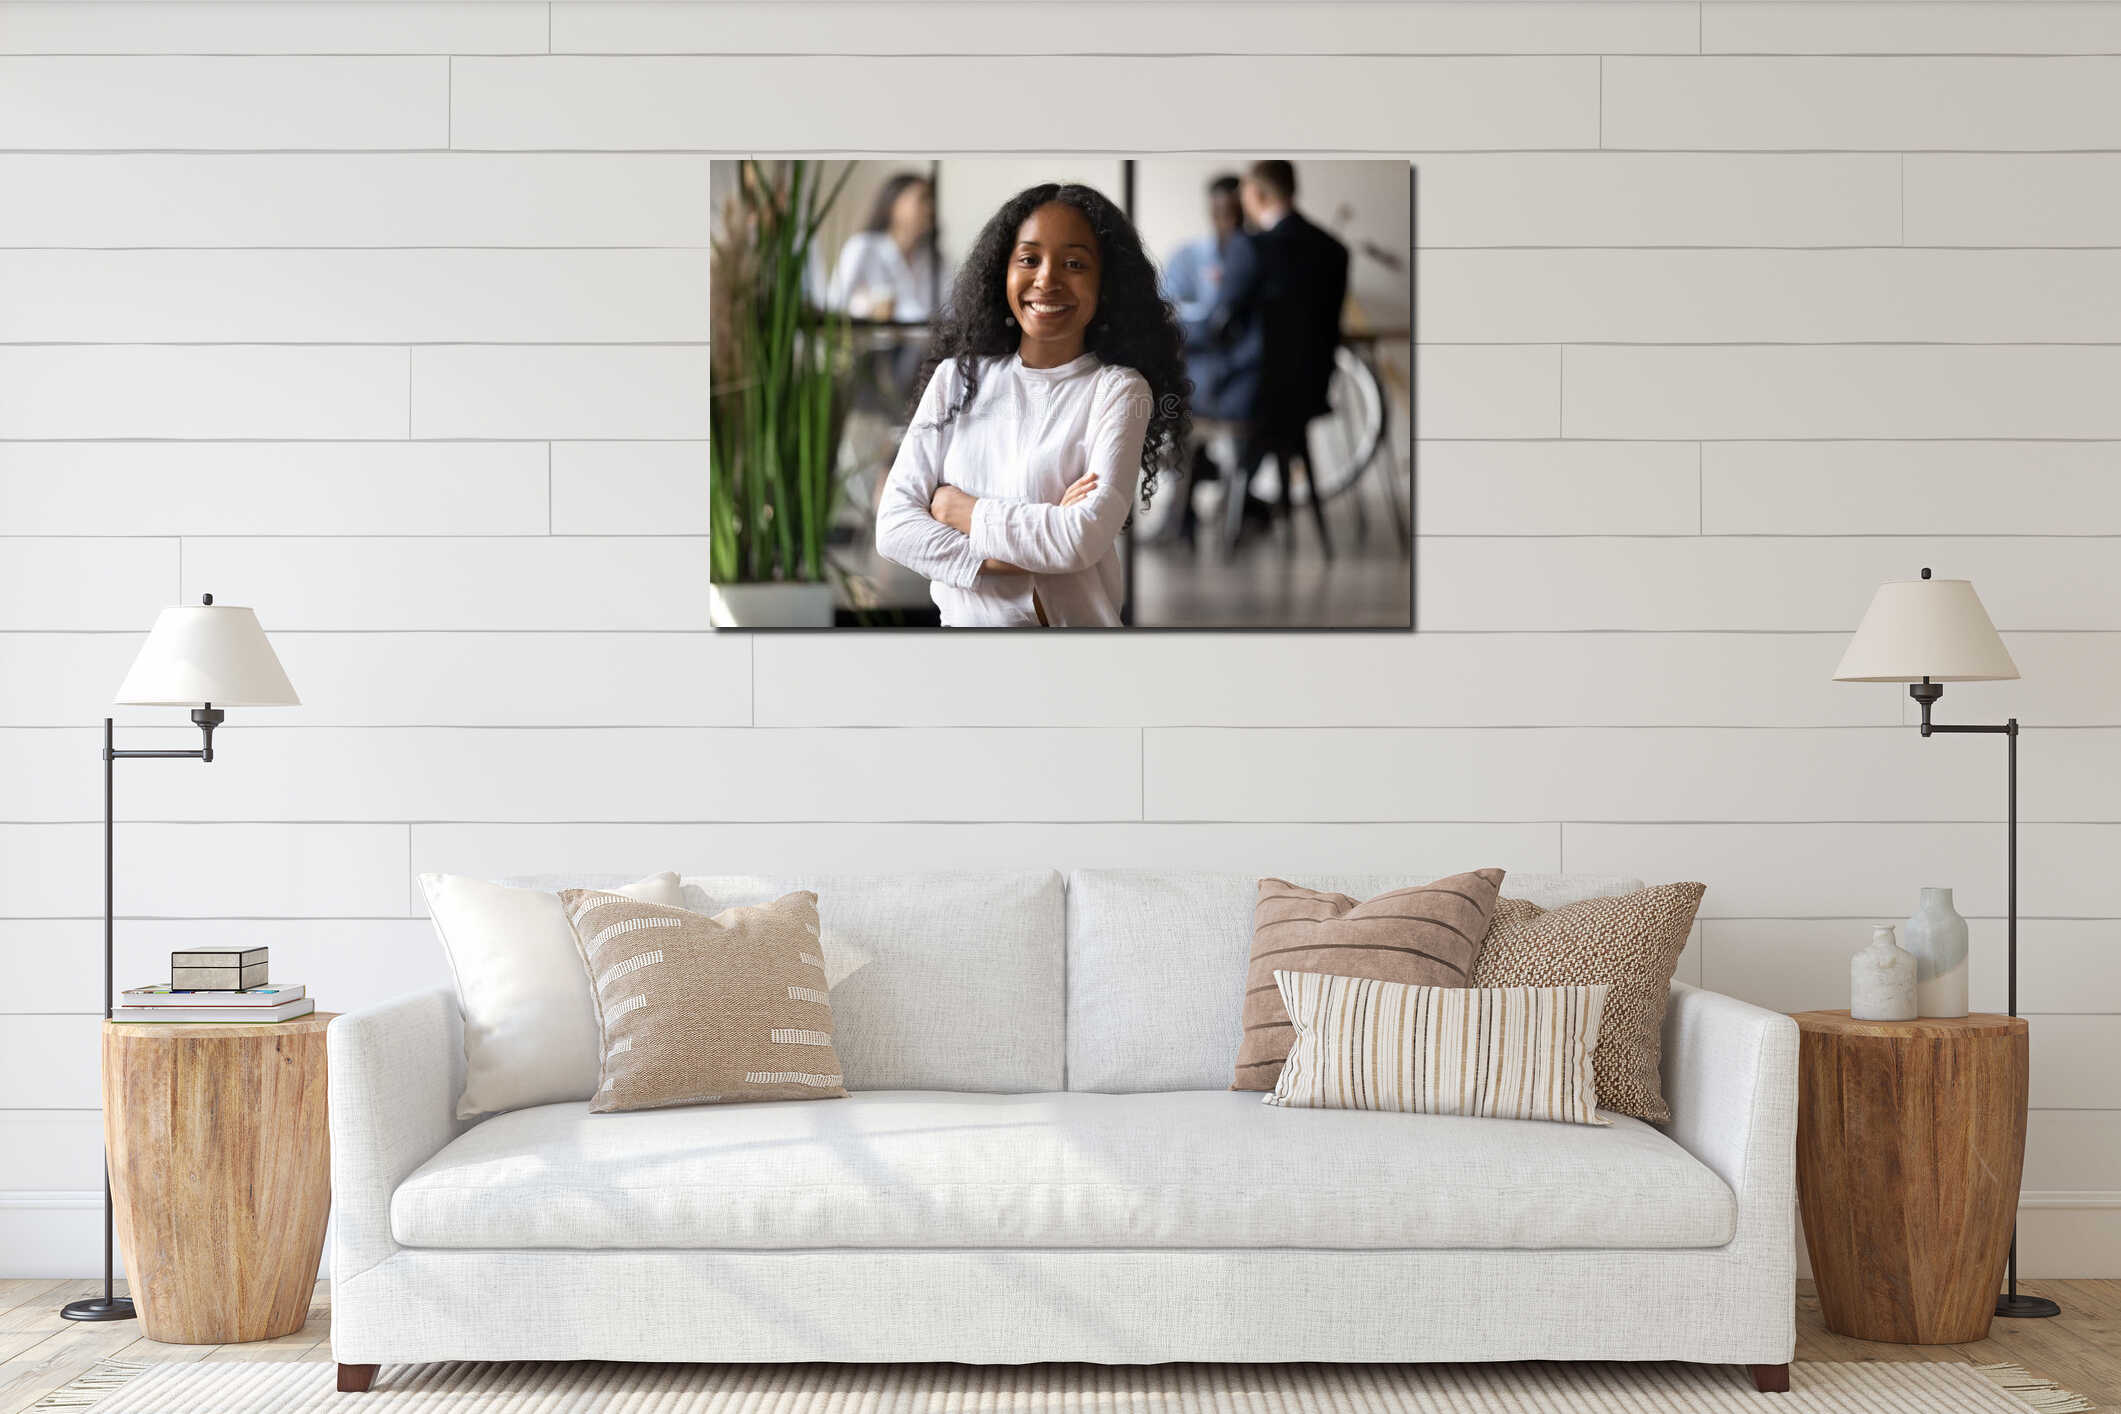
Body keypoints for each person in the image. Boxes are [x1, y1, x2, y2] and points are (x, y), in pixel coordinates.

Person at [874, 183, 1190, 627]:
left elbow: (1079, 539)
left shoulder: (1118, 390)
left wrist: (957, 511)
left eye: (1074, 263)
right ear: (1001, 272)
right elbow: (893, 529)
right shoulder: (955, 379)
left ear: (1106, 284)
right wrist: (1023, 551)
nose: (1047, 278)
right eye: (1028, 259)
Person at [1214, 159, 1349, 551]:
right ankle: (1240, 502)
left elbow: (1222, 323)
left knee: (1176, 397)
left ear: (1255, 194)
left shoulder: (1250, 246)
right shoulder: (1334, 250)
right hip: (1309, 392)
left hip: (1255, 395)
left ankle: (1188, 517)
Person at [823, 172, 946, 322]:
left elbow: (949, 311)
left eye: (932, 200)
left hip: (926, 345)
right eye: (923, 199)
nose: (930, 208)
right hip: (868, 344)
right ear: (894, 203)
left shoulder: (935, 259)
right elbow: (835, 308)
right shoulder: (863, 248)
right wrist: (867, 308)